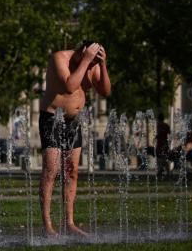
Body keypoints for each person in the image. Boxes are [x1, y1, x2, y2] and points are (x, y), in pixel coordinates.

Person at [38, 40, 111, 237]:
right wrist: (86, 61)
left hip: (73, 121)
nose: (92, 65)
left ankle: (69, 223)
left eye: (96, 61)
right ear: (81, 51)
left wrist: (102, 65)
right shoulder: (59, 58)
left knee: (71, 172)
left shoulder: (93, 64)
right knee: (51, 170)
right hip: (52, 118)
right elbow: (70, 86)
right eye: (90, 59)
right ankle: (48, 226)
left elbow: (105, 92)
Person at [155, 113, 171, 178]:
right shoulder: (166, 125)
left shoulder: (159, 125)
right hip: (165, 144)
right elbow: (169, 133)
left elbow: (158, 134)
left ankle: (160, 170)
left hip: (160, 144)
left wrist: (156, 137)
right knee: (165, 158)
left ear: (158, 119)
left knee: (159, 158)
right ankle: (167, 172)